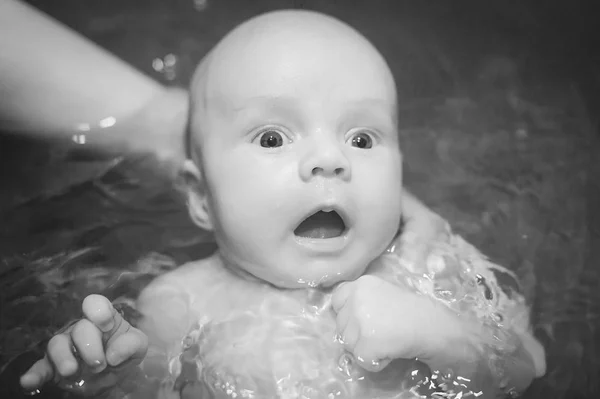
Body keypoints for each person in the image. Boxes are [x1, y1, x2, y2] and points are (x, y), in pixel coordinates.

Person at [17, 7, 545, 399]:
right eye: (272, 138)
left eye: (362, 139)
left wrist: (445, 338)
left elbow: (528, 367)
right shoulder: (180, 301)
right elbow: (153, 385)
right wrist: (111, 375)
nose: (329, 160)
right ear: (201, 198)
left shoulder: (431, 261)